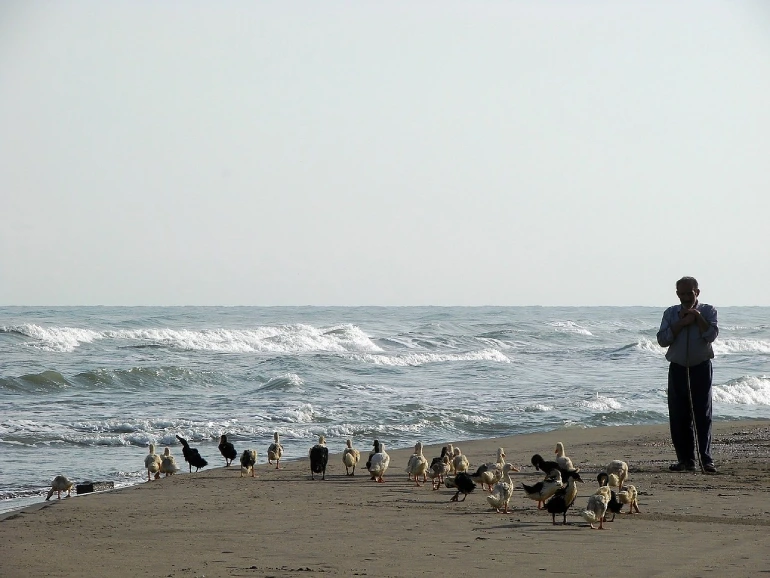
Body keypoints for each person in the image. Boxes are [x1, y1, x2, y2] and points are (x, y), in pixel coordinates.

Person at [656, 276, 719, 473]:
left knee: (702, 414)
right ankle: (685, 460)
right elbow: (662, 340)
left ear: (697, 292)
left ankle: (706, 460)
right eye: (681, 294)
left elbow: (711, 335)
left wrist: (697, 317)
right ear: (677, 294)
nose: (685, 297)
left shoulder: (709, 311)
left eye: (689, 293)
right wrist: (681, 323)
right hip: (678, 367)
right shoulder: (670, 313)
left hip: (700, 367)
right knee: (678, 416)